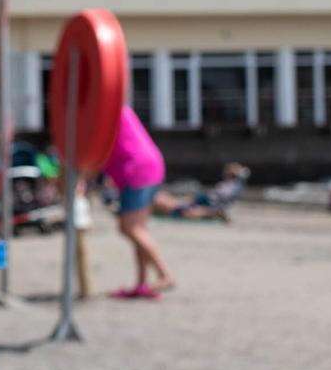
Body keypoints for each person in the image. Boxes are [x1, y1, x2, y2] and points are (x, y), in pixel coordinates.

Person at [104, 105, 175, 299]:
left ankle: (164, 274)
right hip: (150, 164)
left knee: (130, 228)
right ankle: (142, 284)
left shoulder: (104, 112)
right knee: (138, 229)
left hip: (136, 170)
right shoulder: (118, 108)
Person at [153, 162, 249, 221]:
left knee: (179, 206)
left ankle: (215, 212)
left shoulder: (233, 185)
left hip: (212, 202)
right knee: (178, 203)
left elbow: (223, 196)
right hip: (211, 202)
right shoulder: (232, 185)